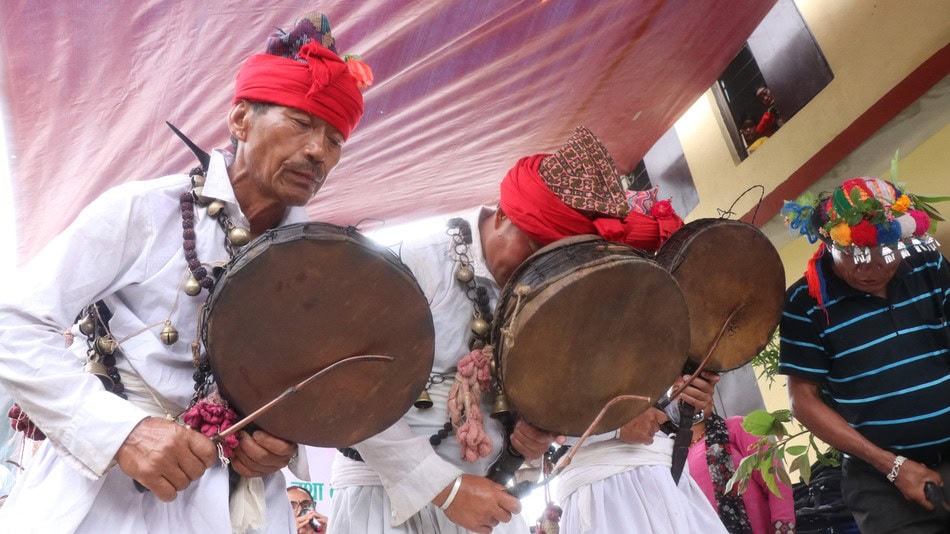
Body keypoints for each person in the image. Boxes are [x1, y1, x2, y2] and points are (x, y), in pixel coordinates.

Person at [0, 12, 369, 533]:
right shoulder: (143, 210)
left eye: (335, 140)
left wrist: (280, 442)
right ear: (240, 120)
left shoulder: (320, 263)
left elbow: (306, 385)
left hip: (239, 507)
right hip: (109, 497)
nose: (318, 152)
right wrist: (122, 433)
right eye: (302, 123)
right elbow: (12, 324)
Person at [328, 126, 686, 534]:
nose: (537, 271)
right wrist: (444, 489)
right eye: (534, 250)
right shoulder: (415, 263)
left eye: (557, 264)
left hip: (486, 504)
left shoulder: (556, 296)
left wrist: (531, 435)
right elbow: (346, 388)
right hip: (384, 501)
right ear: (502, 215)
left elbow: (562, 398)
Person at [778, 177, 950, 533]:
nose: (870, 268)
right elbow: (802, 400)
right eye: (855, 255)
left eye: (884, 253)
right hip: (881, 479)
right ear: (827, 243)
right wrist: (892, 466)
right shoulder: (805, 303)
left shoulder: (928, 265)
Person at [687, 395, 796, 533]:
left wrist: (784, 530)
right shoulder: (671, 456)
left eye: (697, 391)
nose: (691, 399)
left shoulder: (736, 427)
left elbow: (776, 481)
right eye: (679, 392)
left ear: (710, 398)